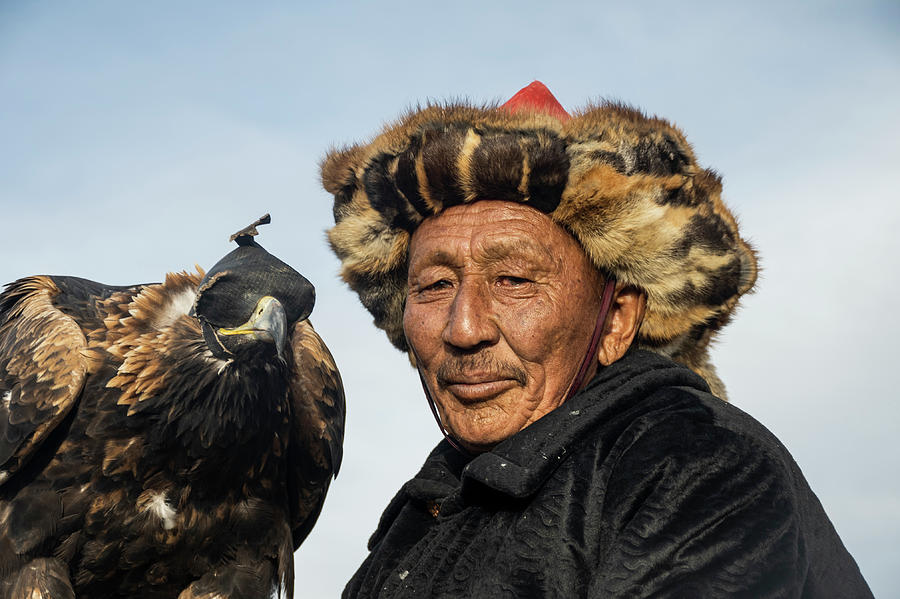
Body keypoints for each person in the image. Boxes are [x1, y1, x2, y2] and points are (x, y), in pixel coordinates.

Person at [320, 82, 873, 598]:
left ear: (616, 321)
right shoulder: (421, 517)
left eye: (514, 280)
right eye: (434, 285)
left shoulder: (698, 465)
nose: (464, 329)